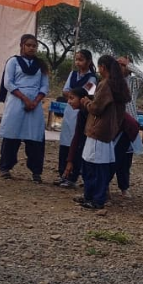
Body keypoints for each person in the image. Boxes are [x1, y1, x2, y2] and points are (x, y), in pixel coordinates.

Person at [74, 55, 129, 210]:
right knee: (100, 165)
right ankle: (93, 196)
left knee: (93, 165)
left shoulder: (105, 84)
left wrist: (86, 102)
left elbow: (97, 108)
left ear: (102, 67)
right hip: (109, 130)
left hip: (98, 129)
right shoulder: (119, 85)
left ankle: (95, 198)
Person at [0, 34, 50, 183]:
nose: (32, 48)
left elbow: (44, 85)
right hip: (17, 101)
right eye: (29, 45)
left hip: (35, 103)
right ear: (22, 46)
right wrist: (25, 99)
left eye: (34, 46)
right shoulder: (13, 61)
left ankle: (36, 171)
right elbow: (8, 82)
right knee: (11, 136)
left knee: (35, 137)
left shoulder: (41, 65)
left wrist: (35, 101)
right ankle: (5, 167)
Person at [56, 50, 97, 187]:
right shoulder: (73, 74)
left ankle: (73, 177)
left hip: (81, 111)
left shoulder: (92, 78)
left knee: (77, 142)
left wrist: (73, 95)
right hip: (70, 110)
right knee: (65, 142)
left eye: (81, 60)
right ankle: (62, 174)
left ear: (88, 61)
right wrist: (74, 96)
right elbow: (65, 91)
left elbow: (88, 94)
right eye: (77, 60)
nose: (78, 63)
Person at [114, 56, 143, 198]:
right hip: (115, 124)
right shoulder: (112, 81)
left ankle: (124, 187)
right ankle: (104, 185)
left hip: (130, 124)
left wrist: (129, 64)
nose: (121, 67)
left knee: (126, 159)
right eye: (118, 65)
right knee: (112, 155)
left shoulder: (133, 82)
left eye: (123, 65)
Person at [60, 87, 91, 188]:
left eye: (72, 98)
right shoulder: (81, 113)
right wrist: (70, 161)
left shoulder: (91, 112)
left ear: (82, 99)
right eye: (68, 98)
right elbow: (77, 136)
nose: (69, 102)